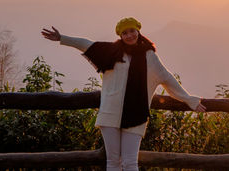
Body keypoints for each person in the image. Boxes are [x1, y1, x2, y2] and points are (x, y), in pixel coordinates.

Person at [41, 17, 206, 171]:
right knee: (112, 162)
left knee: (130, 162)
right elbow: (87, 44)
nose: (129, 35)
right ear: (120, 36)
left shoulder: (150, 57)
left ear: (138, 31)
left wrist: (190, 100)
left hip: (136, 115)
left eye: (132, 31)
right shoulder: (112, 51)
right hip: (110, 113)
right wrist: (62, 38)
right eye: (124, 33)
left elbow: (168, 80)